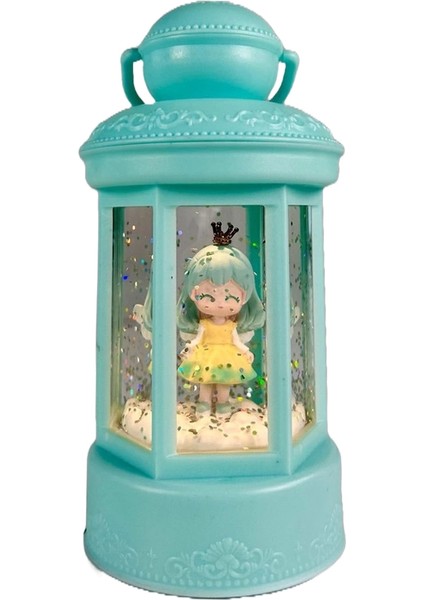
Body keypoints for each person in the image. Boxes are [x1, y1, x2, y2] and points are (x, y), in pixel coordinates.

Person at [177, 222, 265, 413]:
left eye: (230, 297)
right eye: (209, 296)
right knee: (205, 380)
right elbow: (198, 339)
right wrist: (190, 347)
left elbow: (237, 341)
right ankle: (204, 402)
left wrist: (245, 350)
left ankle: (223, 403)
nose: (220, 304)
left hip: (227, 356)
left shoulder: (232, 325)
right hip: (206, 354)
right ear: (193, 294)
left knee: (224, 381)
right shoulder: (204, 323)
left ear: (244, 297)